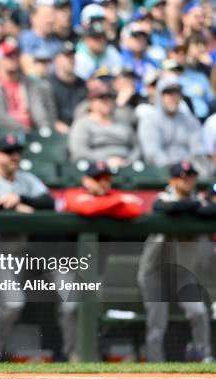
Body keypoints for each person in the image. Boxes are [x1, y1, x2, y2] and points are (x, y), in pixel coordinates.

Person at [0, 135, 63, 361]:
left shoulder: (25, 179)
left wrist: (19, 199)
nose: (15, 157)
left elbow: (49, 203)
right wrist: (11, 206)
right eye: (9, 152)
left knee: (5, 305)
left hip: (18, 252)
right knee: (7, 303)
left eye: (17, 152)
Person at [138, 161, 213, 362]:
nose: (188, 180)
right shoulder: (163, 197)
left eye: (191, 175)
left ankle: (204, 355)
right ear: (172, 179)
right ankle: (156, 363)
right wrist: (193, 207)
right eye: (183, 176)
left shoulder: (199, 200)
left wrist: (194, 206)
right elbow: (165, 207)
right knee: (157, 323)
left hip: (183, 272)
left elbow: (210, 211)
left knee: (198, 312)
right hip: (155, 271)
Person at [138, 76, 211, 177]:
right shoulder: (149, 120)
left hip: (190, 173)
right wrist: (176, 170)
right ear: (160, 95)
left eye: (176, 93)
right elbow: (152, 153)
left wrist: (189, 168)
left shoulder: (191, 120)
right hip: (162, 173)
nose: (173, 97)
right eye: (168, 93)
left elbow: (198, 151)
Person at [0, 40, 55, 134]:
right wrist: (22, 129)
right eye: (8, 56)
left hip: (33, 132)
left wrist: (44, 127)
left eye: (15, 55)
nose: (13, 58)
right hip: (4, 133)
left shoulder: (30, 83)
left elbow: (39, 110)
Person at [69, 82, 139, 168]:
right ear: (91, 103)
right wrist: (106, 160)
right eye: (101, 98)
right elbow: (79, 151)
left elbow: (136, 148)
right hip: (96, 168)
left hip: (126, 166)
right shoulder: (83, 123)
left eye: (109, 98)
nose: (106, 102)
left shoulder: (123, 122)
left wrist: (128, 162)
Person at [64, 161, 144, 219]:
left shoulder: (113, 194)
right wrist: (119, 200)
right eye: (97, 178)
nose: (103, 183)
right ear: (85, 180)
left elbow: (134, 210)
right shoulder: (72, 194)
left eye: (107, 178)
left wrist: (98, 205)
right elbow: (88, 209)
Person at [48, 41, 87, 135]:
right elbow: (47, 116)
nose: (70, 60)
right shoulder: (47, 84)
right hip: (56, 133)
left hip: (81, 130)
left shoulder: (83, 84)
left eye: (72, 56)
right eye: (66, 56)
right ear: (56, 60)